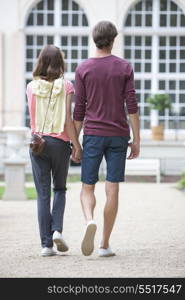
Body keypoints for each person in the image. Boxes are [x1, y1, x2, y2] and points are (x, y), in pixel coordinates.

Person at [73, 21, 140, 257]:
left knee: (87, 187)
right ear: (113, 39)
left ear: (94, 39)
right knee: (112, 190)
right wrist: (137, 139)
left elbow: (79, 109)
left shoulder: (83, 69)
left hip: (92, 135)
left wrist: (75, 142)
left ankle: (89, 220)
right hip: (119, 136)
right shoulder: (124, 67)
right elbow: (131, 105)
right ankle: (104, 244)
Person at [27, 45, 82, 257]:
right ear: (61, 63)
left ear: (40, 61)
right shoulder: (67, 86)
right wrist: (76, 145)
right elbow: (68, 119)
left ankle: (46, 245)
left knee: (42, 194)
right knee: (59, 189)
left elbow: (32, 118)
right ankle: (57, 229)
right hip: (60, 143)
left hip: (38, 144)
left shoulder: (31, 87)